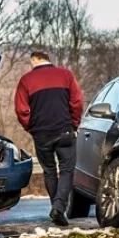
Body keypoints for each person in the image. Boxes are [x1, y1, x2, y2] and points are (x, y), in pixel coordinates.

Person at [14, 51, 83, 226]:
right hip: (64, 130)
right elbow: (77, 102)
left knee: (50, 171)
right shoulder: (66, 75)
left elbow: (21, 109)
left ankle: (56, 207)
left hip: (42, 134)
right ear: (47, 59)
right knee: (67, 170)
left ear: (34, 60)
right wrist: (74, 124)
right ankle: (59, 208)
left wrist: (31, 127)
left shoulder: (26, 80)